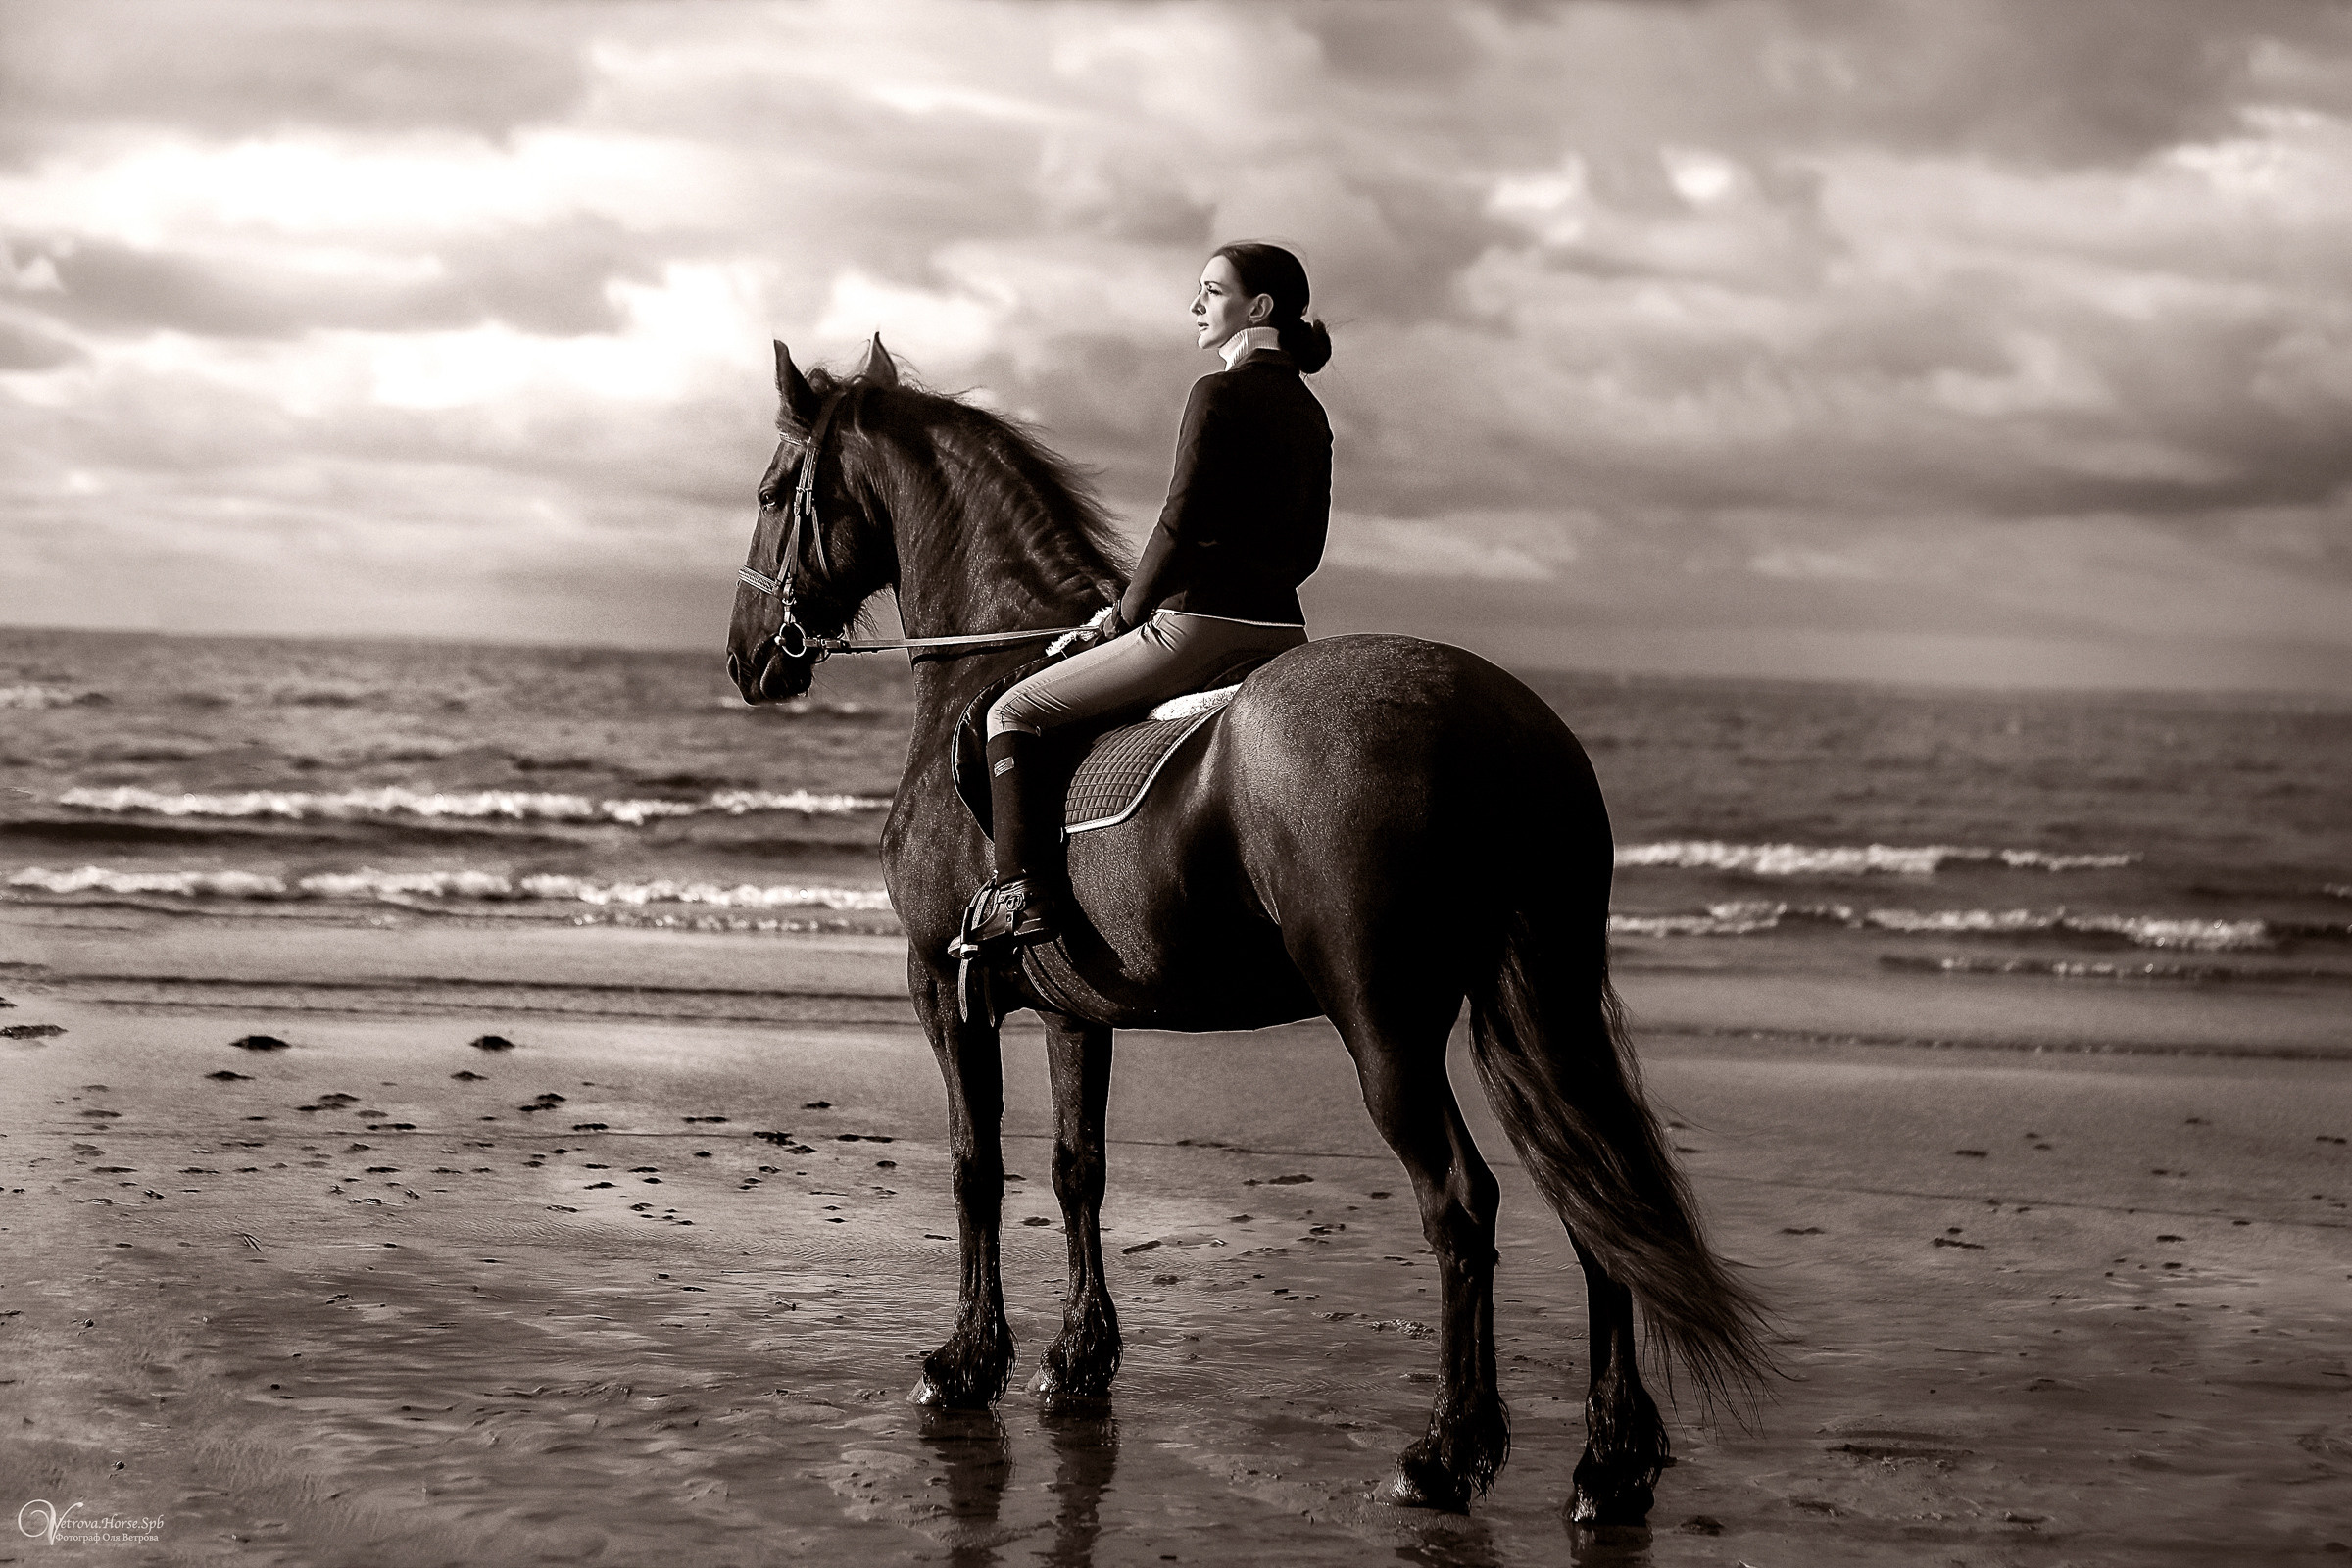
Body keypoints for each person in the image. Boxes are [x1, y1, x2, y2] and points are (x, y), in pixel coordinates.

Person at [956, 241, 1335, 957]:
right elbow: (1307, 551)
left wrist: (1127, 615)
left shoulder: (1216, 393)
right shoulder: (1310, 412)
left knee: (1012, 713)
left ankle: (1019, 892)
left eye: (1212, 291)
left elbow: (1179, 520)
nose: (1196, 304)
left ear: (1258, 307)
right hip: (1285, 634)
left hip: (1194, 629)